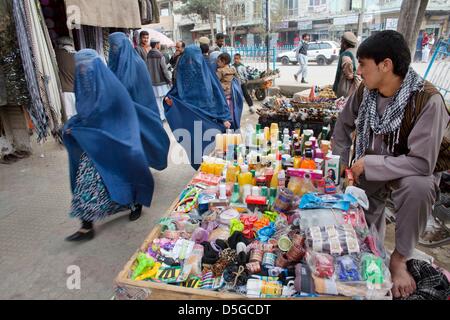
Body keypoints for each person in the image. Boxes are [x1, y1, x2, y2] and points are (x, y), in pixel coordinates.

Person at [332, 30, 449, 299]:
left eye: (363, 64)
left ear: (386, 65)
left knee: (418, 187)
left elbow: (421, 163)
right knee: (358, 219)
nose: (358, 71)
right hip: (369, 169)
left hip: (409, 171)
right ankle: (372, 250)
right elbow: (343, 126)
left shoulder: (427, 100)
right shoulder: (367, 91)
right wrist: (339, 163)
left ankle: (399, 259)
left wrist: (371, 164)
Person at [63, 49, 155, 242]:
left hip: (116, 143)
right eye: (79, 68)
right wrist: (74, 127)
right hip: (94, 147)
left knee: (122, 175)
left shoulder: (114, 89)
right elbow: (85, 115)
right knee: (86, 183)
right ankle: (86, 226)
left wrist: (110, 136)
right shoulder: (84, 89)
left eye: (87, 68)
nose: (83, 72)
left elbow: (124, 117)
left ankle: (135, 203)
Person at [108, 32, 170, 171]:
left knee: (140, 141)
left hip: (139, 111)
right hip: (119, 115)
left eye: (117, 46)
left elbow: (143, 92)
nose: (114, 50)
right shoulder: (112, 65)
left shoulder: (138, 64)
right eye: (112, 46)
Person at [163, 45, 232, 170]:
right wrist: (169, 101)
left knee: (213, 153)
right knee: (197, 152)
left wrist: (224, 117)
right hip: (192, 124)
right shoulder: (183, 75)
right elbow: (174, 94)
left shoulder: (208, 75)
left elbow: (218, 97)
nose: (191, 63)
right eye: (188, 60)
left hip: (210, 121)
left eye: (194, 59)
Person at [146, 39, 172, 121]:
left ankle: (160, 117)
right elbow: (164, 69)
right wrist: (169, 80)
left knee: (157, 100)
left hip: (152, 81)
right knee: (164, 99)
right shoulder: (160, 55)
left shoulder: (148, 55)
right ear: (157, 44)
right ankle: (166, 115)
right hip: (161, 81)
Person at [333, 32, 362, 98]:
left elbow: (348, 63)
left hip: (346, 86)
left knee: (343, 103)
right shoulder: (355, 51)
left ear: (345, 44)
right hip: (355, 85)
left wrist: (349, 74)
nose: (341, 44)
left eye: (342, 42)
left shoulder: (346, 54)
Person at [55, 36, 77, 120]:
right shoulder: (79, 55)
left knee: (68, 118)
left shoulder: (58, 54)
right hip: (78, 91)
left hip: (65, 91)